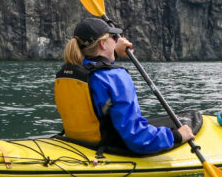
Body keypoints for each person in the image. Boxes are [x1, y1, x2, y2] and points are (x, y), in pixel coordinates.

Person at [55, 17, 194, 154]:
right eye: (113, 37)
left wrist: (113, 52)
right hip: (110, 149)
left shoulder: (68, 72)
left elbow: (95, 70)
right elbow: (136, 137)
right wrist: (176, 136)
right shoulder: (115, 76)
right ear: (103, 43)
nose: (116, 40)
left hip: (79, 144)